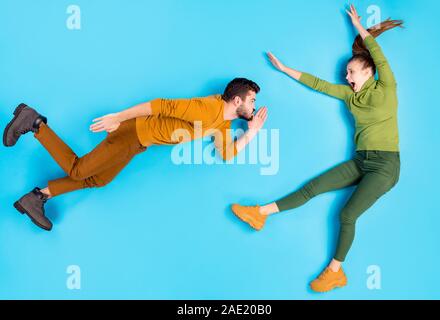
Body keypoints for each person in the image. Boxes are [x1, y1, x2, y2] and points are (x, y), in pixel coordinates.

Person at [231, 5, 403, 292]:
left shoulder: (386, 86)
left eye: (350, 72)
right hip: (361, 161)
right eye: (346, 74)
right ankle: (259, 214)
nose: (346, 78)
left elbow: (378, 55)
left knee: (347, 215)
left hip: (386, 166)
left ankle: (335, 272)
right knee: (312, 187)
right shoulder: (349, 96)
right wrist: (284, 69)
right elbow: (319, 84)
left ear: (367, 71)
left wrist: (360, 27)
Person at [3, 78, 268, 231]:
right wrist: (118, 117)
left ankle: (37, 197)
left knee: (100, 179)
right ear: (237, 100)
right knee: (79, 171)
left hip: (139, 142)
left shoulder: (221, 123)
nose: (253, 105)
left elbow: (227, 154)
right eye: (252, 100)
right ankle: (35, 122)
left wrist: (252, 132)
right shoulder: (206, 109)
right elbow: (160, 105)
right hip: (133, 133)